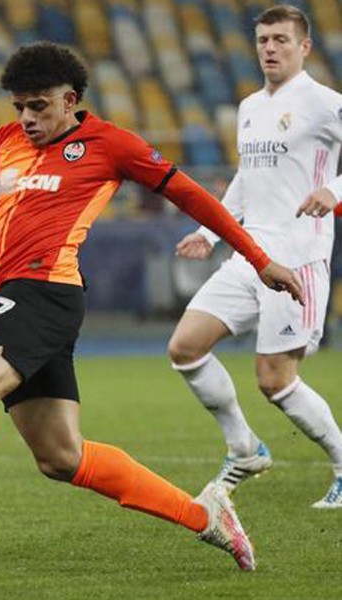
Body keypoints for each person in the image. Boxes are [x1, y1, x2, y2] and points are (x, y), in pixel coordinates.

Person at [0, 40, 304, 573]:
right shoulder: (5, 141)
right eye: (19, 106)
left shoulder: (109, 143)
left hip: (44, 290)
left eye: (38, 106)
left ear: (70, 100)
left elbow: (190, 195)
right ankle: (204, 514)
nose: (26, 118)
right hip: (17, 292)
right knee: (60, 457)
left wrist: (257, 257)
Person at [168, 5, 342, 509]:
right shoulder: (248, 107)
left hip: (298, 260)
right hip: (250, 255)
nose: (270, 48)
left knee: (274, 381)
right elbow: (247, 180)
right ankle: (245, 448)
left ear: (305, 47)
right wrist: (210, 230)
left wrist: (334, 189)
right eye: (264, 39)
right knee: (185, 347)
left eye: (281, 40)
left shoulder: (324, 103)